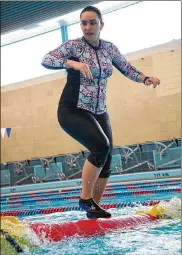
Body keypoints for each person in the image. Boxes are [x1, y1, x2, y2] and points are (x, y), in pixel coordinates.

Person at [41, 6, 160, 219]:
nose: (87, 27)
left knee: (106, 158)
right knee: (100, 146)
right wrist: (73, 64)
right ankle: (85, 199)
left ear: (101, 25)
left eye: (92, 22)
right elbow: (47, 59)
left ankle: (94, 208)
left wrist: (145, 78)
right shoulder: (74, 46)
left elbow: (127, 68)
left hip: (99, 111)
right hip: (73, 109)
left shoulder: (109, 49)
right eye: (84, 23)